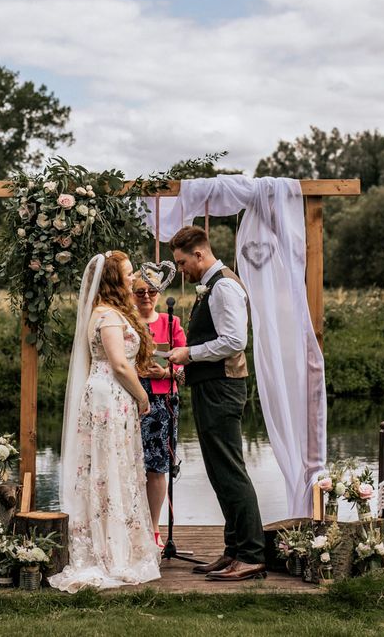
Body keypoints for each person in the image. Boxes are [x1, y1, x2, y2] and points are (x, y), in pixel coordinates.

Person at [49, 251, 161, 593]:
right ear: (113, 280)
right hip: (108, 396)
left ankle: (118, 542)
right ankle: (109, 551)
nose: (133, 279)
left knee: (113, 465)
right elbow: (119, 364)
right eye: (128, 274)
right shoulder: (108, 316)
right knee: (107, 467)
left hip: (110, 395)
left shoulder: (108, 312)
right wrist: (143, 396)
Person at [167, 226, 266, 581]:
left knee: (230, 471)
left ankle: (252, 555)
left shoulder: (223, 285)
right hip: (212, 387)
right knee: (219, 472)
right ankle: (233, 550)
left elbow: (234, 341)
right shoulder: (211, 285)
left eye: (181, 263)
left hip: (224, 388)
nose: (181, 270)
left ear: (199, 254)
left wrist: (189, 354)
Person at [133, 272, 187, 548]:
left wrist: (166, 372)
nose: (146, 296)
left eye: (152, 291)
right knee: (129, 466)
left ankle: (153, 528)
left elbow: (184, 365)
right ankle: (131, 527)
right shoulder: (125, 321)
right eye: (140, 291)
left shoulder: (171, 322)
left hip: (162, 402)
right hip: (129, 398)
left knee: (157, 467)